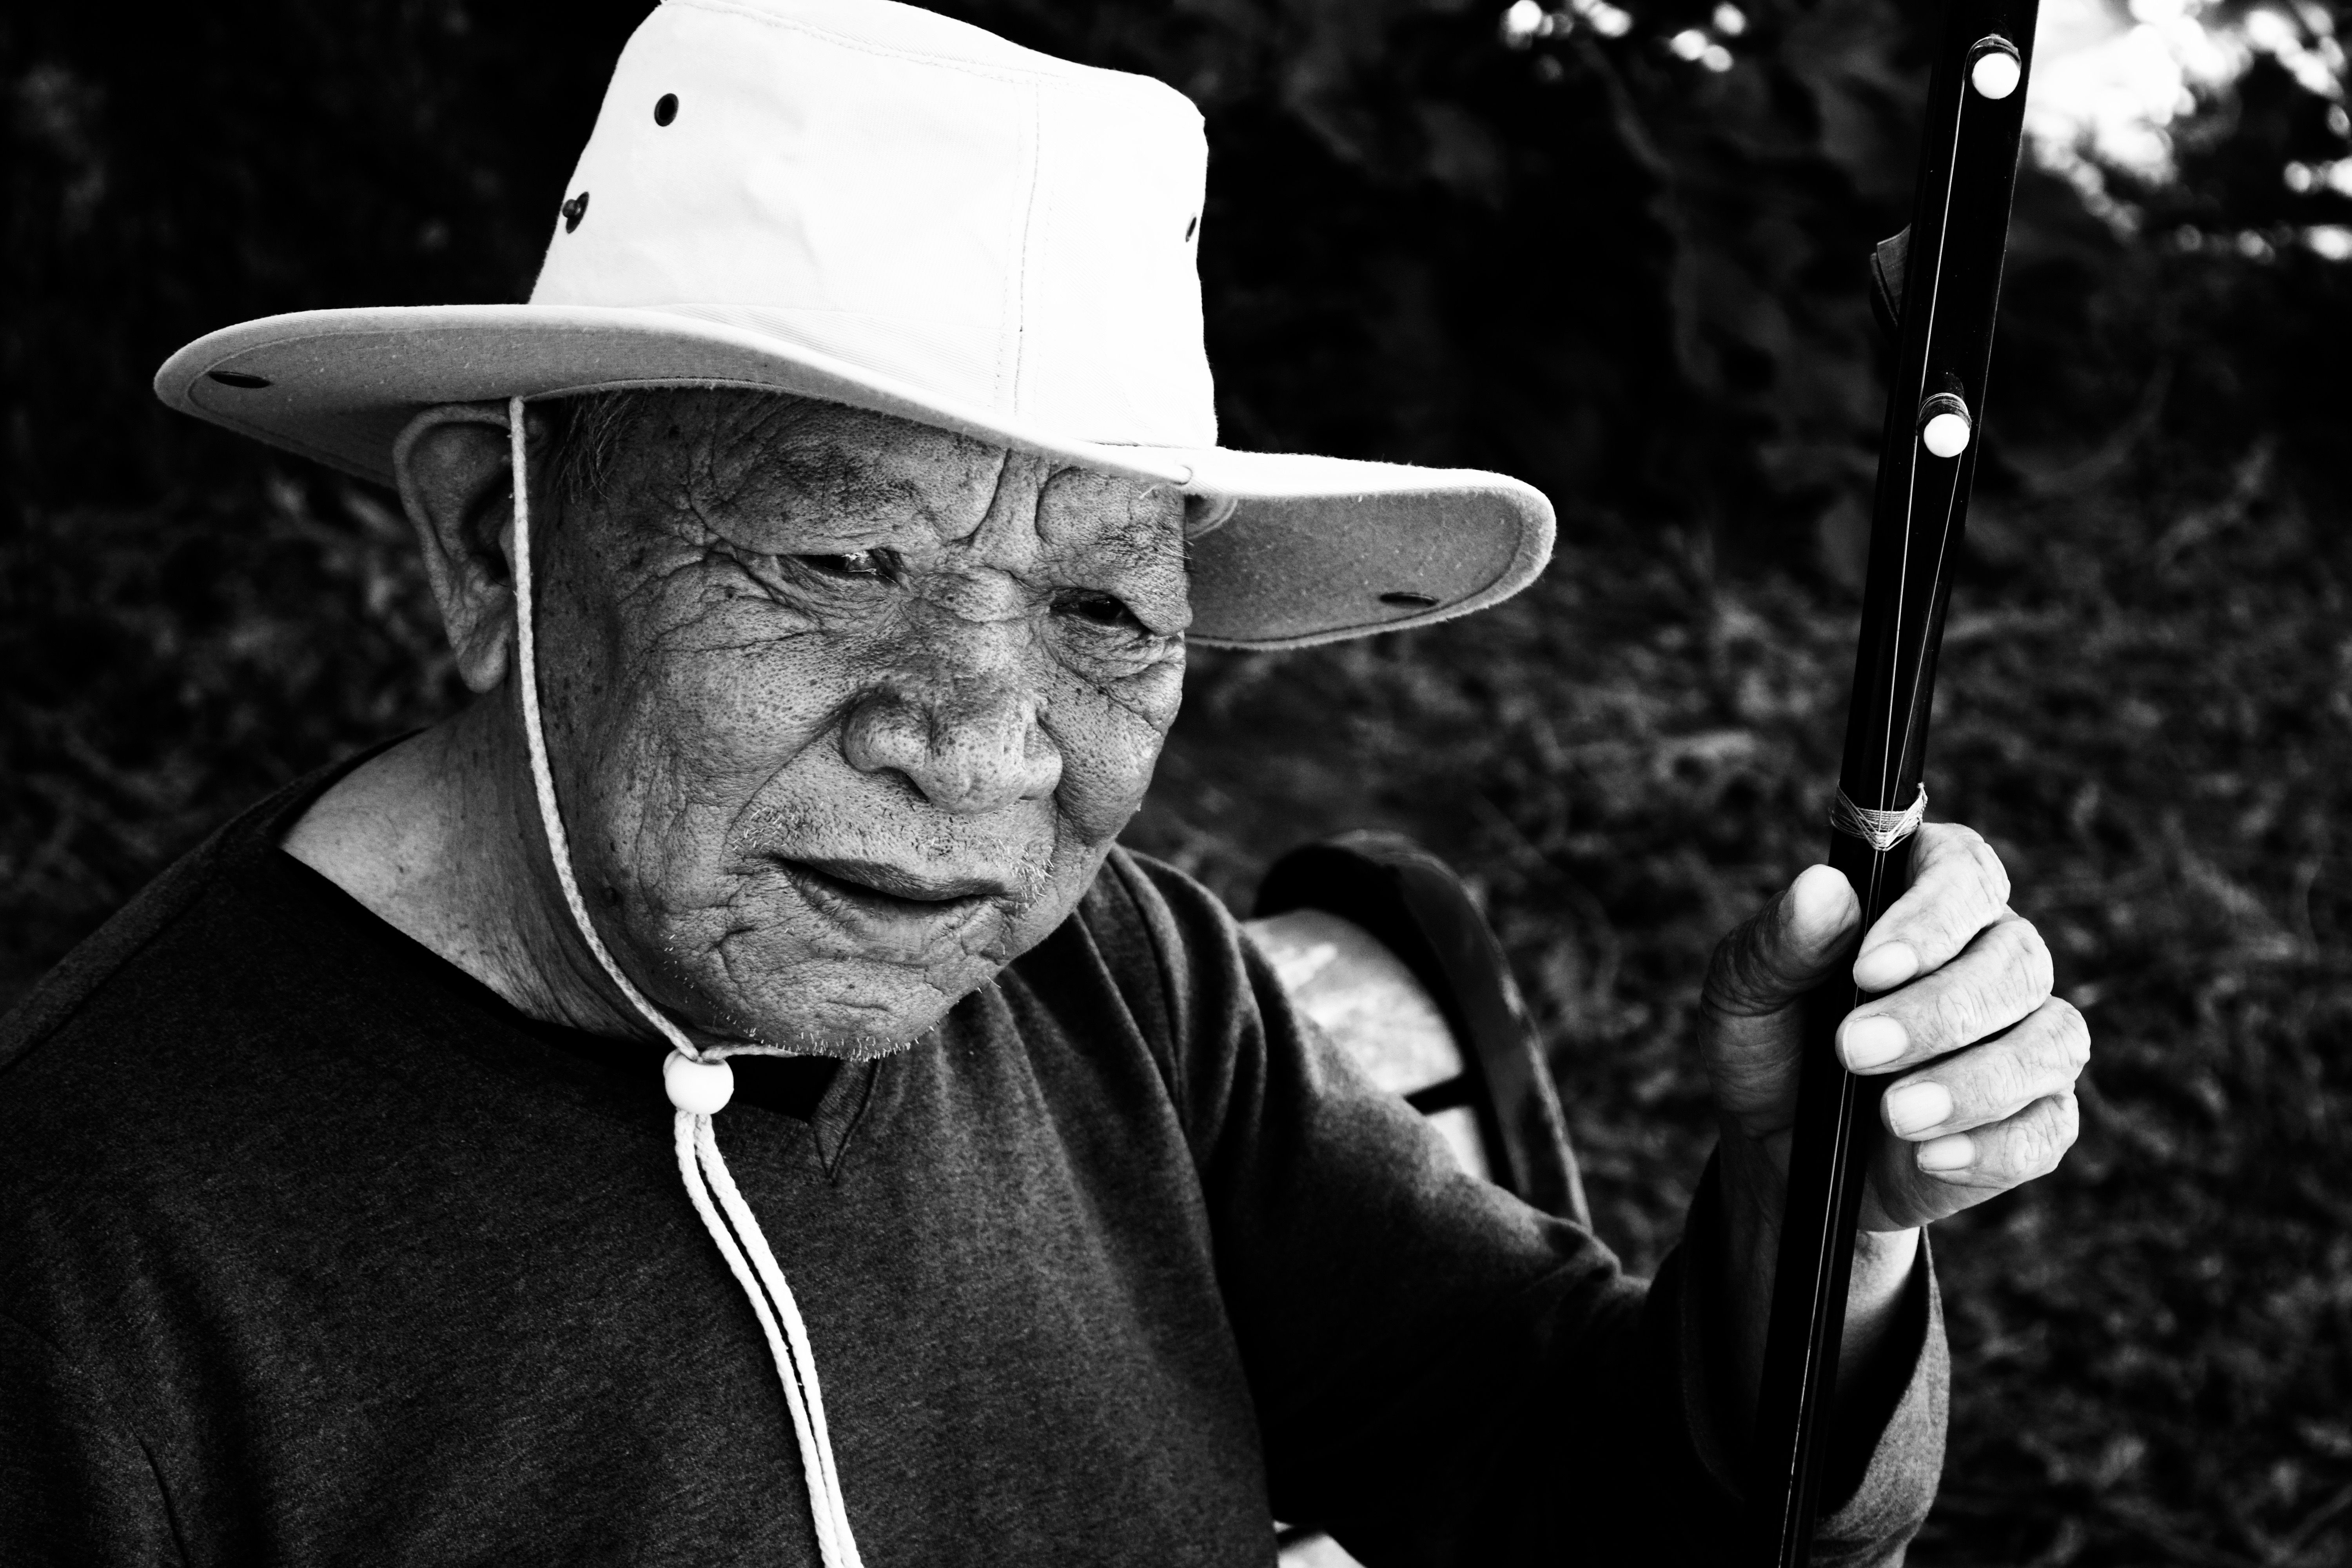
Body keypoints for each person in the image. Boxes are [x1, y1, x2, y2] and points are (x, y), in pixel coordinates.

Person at [0, 0, 2089, 1563]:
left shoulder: (1134, 994)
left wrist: (1834, 1235)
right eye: (837, 560)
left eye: (1105, 612)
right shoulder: (90, 1245)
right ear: (494, 543)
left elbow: (1629, 1510)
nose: (985, 747)